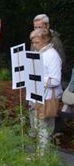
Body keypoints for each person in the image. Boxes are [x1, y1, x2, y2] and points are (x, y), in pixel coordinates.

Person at [28, 27, 61, 155]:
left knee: (44, 128)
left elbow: (55, 80)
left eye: (36, 42)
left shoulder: (52, 55)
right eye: (33, 42)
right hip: (37, 95)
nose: (34, 45)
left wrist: (35, 77)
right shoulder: (41, 53)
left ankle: (42, 158)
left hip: (47, 97)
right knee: (37, 127)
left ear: (45, 40)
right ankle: (39, 154)